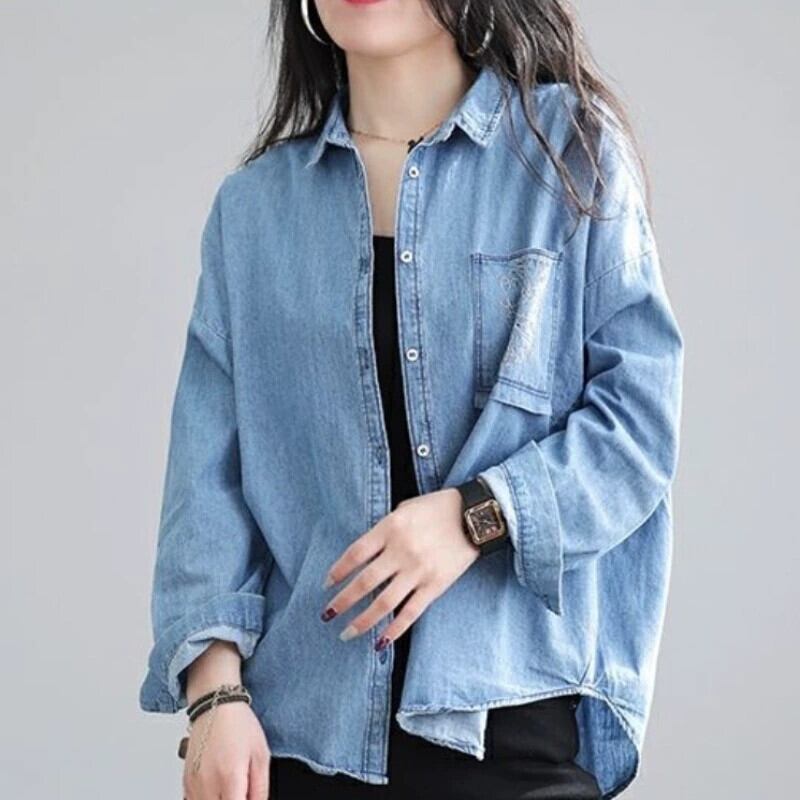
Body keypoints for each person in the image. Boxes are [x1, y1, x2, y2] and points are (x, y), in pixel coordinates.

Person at [138, 2, 684, 799]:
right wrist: (215, 696)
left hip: (508, 729)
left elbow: (636, 429)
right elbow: (204, 487)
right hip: (300, 744)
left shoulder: (567, 152)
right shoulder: (253, 212)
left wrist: (474, 517)